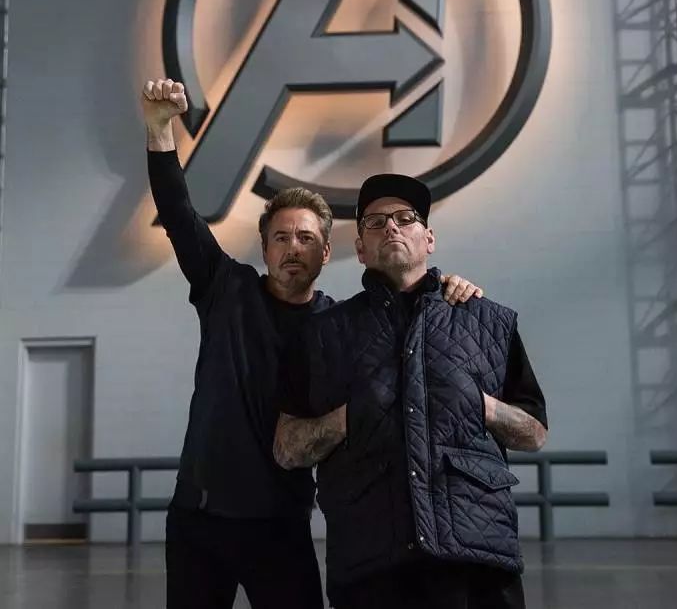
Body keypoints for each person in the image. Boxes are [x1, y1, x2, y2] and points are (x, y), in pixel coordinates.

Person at [142, 79, 484, 609]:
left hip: (281, 526)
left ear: (325, 253)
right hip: (199, 521)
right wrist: (160, 128)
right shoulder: (226, 290)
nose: (292, 249)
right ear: (264, 248)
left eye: (306, 239)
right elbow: (178, 212)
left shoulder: (340, 325)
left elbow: (406, 324)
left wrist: (450, 290)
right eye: (281, 237)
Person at [274, 173, 548, 609]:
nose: (392, 227)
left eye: (405, 218)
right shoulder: (322, 335)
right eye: (375, 222)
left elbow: (535, 433)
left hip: (477, 567)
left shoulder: (488, 322)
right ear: (360, 248)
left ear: (429, 238)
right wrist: (347, 419)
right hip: (371, 566)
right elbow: (287, 449)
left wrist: (480, 406)